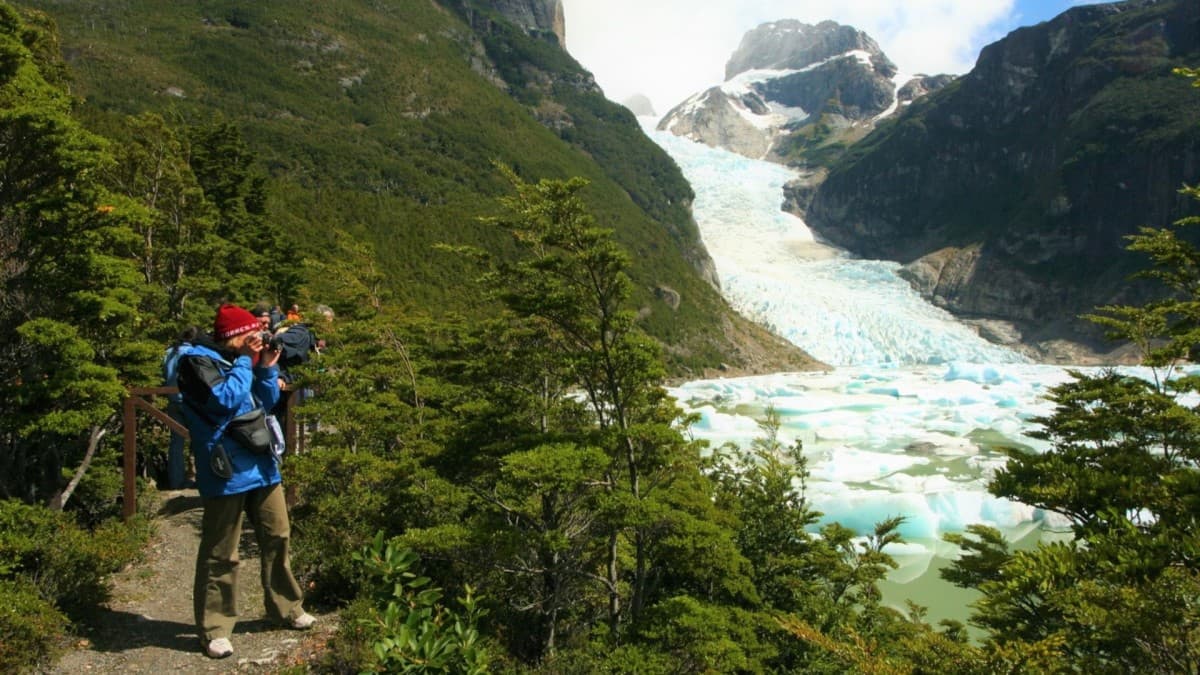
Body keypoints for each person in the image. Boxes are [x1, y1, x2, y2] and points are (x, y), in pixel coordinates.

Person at [175, 303, 315, 659]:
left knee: (277, 535)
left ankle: (287, 607)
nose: (256, 338)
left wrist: (266, 368)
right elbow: (223, 401)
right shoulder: (196, 363)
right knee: (222, 550)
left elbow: (265, 403)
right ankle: (215, 628)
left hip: (261, 463)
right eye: (249, 333)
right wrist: (244, 362)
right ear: (232, 336)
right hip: (225, 469)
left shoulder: (243, 360)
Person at [161, 326, 199, 489]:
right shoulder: (195, 353)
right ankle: (202, 479)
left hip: (173, 400)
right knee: (199, 440)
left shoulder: (168, 352)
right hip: (192, 402)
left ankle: (176, 481)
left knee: (176, 443)